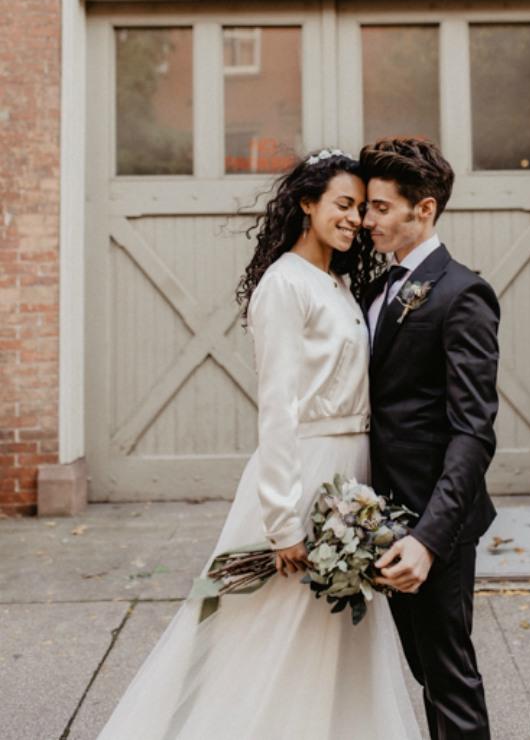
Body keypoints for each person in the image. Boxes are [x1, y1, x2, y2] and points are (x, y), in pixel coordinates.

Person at [96, 149, 423, 740]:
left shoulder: (339, 282)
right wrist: (283, 524)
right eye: (342, 205)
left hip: (351, 474)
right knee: (266, 631)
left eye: (359, 208)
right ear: (306, 204)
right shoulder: (283, 285)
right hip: (302, 477)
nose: (354, 219)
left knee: (331, 637)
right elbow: (278, 409)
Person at [360, 137, 500, 740]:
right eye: (365, 207)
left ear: (426, 209)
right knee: (421, 669)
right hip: (382, 515)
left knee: (448, 677)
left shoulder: (461, 293)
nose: (367, 220)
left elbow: (474, 431)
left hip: (433, 521)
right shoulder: (376, 289)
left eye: (381, 208)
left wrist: (429, 540)